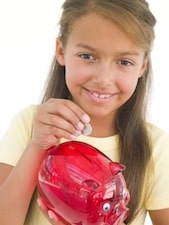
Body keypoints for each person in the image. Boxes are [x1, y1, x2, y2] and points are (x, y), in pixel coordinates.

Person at [0, 0, 169, 224]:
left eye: (124, 61)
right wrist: (37, 146)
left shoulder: (154, 147)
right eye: (87, 56)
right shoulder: (30, 124)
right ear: (61, 51)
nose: (103, 79)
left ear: (143, 66)